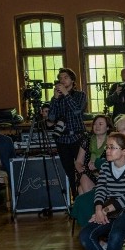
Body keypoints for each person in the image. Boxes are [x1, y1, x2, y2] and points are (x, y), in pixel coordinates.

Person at [48, 67, 87, 195]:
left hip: (77, 138)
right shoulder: (57, 98)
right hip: (62, 140)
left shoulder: (80, 95)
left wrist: (66, 94)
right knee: (69, 171)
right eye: (60, 78)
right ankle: (75, 198)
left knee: (81, 168)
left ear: (72, 80)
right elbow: (51, 118)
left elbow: (77, 111)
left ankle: (85, 195)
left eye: (65, 77)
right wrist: (54, 99)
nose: (62, 80)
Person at [75, 115, 112, 194]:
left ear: (108, 127)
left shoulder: (112, 142)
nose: (97, 126)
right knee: (84, 176)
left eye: (100, 124)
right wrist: (80, 170)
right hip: (88, 172)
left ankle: (92, 203)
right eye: (95, 124)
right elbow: (78, 162)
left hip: (105, 174)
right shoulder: (87, 140)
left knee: (81, 190)